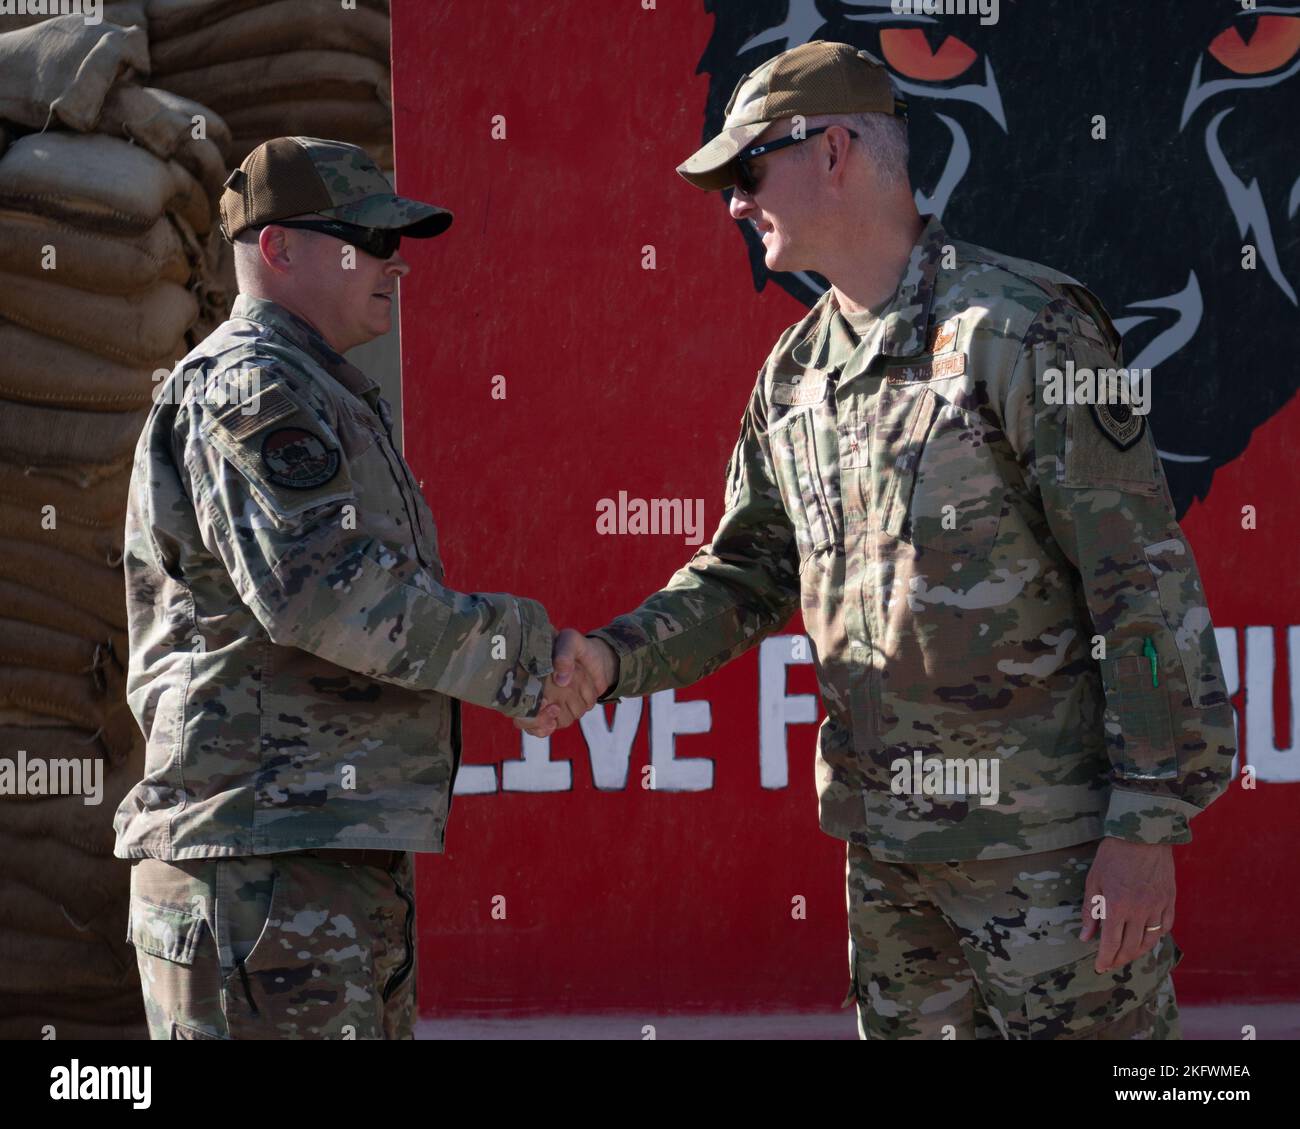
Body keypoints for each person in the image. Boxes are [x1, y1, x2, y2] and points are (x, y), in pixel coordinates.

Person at [526, 42, 1237, 1039]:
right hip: (887, 861)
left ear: (833, 153)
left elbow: (1142, 584)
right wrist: (607, 661)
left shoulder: (1027, 332)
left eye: (747, 171)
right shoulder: (794, 373)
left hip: (1049, 859)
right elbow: (742, 576)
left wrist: (1147, 827)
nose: (733, 203)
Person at [114, 136, 595, 1040]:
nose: (393, 264)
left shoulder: (318, 387)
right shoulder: (253, 386)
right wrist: (523, 656)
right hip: (260, 858)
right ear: (279, 249)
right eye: (365, 241)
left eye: (394, 244)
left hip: (312, 854)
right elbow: (325, 594)